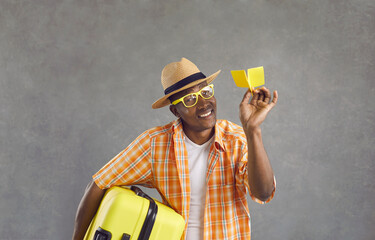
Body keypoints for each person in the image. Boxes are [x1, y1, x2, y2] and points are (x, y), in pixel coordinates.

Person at [72, 57, 278, 240]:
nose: (204, 103)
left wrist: (253, 130)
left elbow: (263, 192)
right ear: (175, 111)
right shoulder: (155, 144)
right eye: (189, 99)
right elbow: (99, 183)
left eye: (206, 92)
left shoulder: (237, 138)